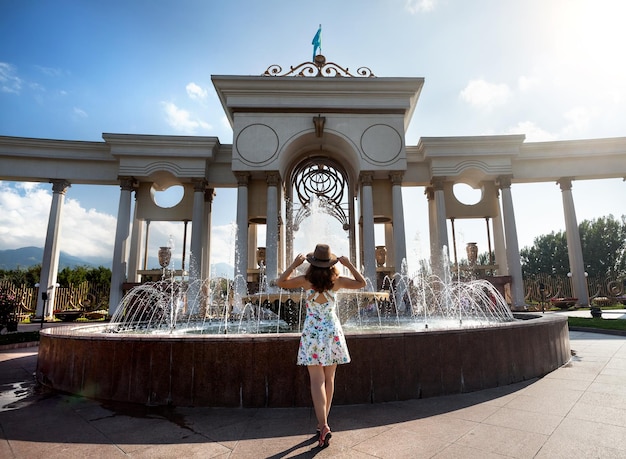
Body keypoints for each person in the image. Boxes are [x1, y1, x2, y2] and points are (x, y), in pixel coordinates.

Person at [276, 243, 366, 448]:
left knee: (316, 381)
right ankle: (322, 422)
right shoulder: (338, 281)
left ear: (312, 262)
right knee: (329, 379)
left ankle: (322, 424)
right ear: (331, 262)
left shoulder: (305, 280)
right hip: (332, 333)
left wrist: (293, 265)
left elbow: (281, 282)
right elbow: (361, 283)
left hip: (312, 333)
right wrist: (349, 265)